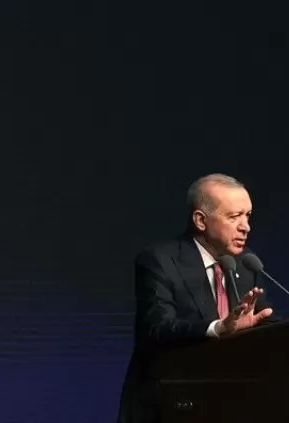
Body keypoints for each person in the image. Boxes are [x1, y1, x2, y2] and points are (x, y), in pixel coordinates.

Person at [117, 174, 275, 423]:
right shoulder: (160, 260)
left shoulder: (246, 264)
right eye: (234, 216)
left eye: (248, 215)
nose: (246, 226)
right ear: (201, 220)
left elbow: (263, 322)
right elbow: (156, 329)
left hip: (229, 405)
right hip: (169, 407)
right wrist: (217, 328)